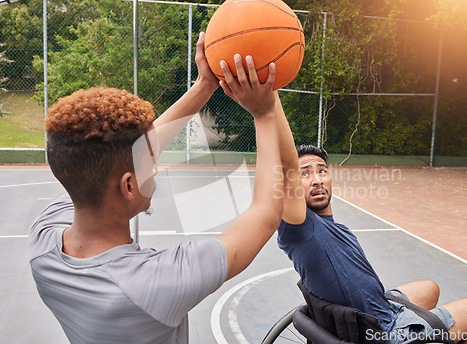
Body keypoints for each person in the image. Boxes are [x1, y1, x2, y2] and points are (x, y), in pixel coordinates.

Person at [29, 32, 284, 344]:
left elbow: (127, 155)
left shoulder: (43, 240)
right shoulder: (156, 283)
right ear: (128, 185)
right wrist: (265, 113)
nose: (156, 163)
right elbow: (266, 213)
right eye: (150, 161)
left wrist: (205, 86)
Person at [271, 94, 467, 344]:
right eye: (305, 174)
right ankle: (418, 335)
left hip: (377, 310)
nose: (317, 178)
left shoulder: (330, 227)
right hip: (381, 332)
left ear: (331, 179)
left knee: (429, 287)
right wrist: (271, 97)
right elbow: (285, 161)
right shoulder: (300, 230)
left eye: (322, 170)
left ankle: (424, 331)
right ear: (291, 187)